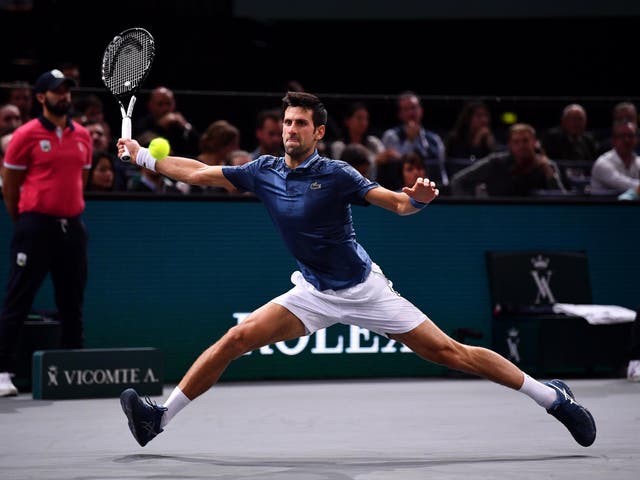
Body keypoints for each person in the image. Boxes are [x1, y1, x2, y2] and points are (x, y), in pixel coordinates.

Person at [116, 91, 596, 449]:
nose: (290, 130)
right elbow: (198, 172)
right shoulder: (262, 169)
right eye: (286, 122)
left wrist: (416, 201)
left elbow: (393, 203)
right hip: (312, 292)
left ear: (318, 133)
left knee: (451, 352)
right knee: (234, 340)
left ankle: (552, 397)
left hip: (365, 291)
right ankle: (157, 419)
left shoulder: (339, 174)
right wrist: (140, 155)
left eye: (301, 124)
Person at [0, 69, 92, 397]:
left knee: (72, 300)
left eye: (67, 91)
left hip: (72, 227)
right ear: (41, 97)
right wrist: (26, 219)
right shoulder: (24, 135)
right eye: (57, 92)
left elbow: (80, 181)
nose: (64, 96)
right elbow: (10, 187)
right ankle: (3, 371)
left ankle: (72, 367)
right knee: (18, 299)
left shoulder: (83, 135)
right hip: (35, 226)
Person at [450, 123, 566, 197]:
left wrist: (550, 175)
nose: (522, 146)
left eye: (525, 141)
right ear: (510, 145)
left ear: (535, 142)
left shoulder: (546, 165)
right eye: (516, 142)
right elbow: (458, 181)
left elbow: (562, 201)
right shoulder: (495, 162)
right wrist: (468, 211)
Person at [380, 91, 448, 189]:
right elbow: (392, 168)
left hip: (430, 190)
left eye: (413, 108)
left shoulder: (434, 139)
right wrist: (410, 140)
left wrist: (444, 189)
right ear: (400, 114)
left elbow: (441, 171)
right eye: (406, 109)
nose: (411, 113)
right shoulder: (391, 136)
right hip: (398, 190)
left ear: (421, 110)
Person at [540, 104, 599, 191]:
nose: (576, 123)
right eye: (573, 119)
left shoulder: (588, 140)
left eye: (580, 119)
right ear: (563, 121)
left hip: (586, 182)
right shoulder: (552, 138)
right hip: (562, 180)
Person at [134, 86, 200, 157]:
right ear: (150, 105)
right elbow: (140, 143)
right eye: (160, 104)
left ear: (174, 103)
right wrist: (160, 126)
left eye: (168, 103)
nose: (165, 108)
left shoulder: (181, 121)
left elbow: (199, 145)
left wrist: (186, 127)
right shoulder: (142, 123)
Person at [329, 101, 385, 181]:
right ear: (347, 121)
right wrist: (376, 160)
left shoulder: (373, 142)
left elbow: (383, 157)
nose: (363, 123)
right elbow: (342, 169)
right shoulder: (338, 146)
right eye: (359, 118)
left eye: (366, 119)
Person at [444, 100, 501, 177]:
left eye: (486, 116)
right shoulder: (454, 140)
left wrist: (491, 145)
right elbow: (462, 167)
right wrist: (476, 144)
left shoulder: (488, 140)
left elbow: (496, 166)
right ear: (468, 118)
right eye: (479, 116)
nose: (484, 120)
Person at [589, 121, 639, 195]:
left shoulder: (638, 161)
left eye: (630, 136)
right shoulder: (602, 163)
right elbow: (621, 184)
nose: (627, 140)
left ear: (636, 140)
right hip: (603, 206)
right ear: (614, 141)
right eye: (622, 136)